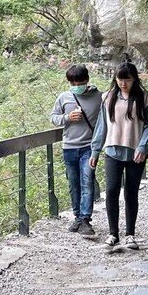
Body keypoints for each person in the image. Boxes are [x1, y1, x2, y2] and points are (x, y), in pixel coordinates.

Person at [89, 62, 148, 253]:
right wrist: (95, 150)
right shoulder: (108, 97)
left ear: (134, 79)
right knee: (111, 191)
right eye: (120, 79)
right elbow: (102, 125)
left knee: (131, 193)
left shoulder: (145, 98)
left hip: (136, 152)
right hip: (112, 150)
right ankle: (113, 233)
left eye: (126, 79)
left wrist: (143, 146)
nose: (123, 83)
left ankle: (130, 234)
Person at [50, 65, 103, 235]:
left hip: (89, 146)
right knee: (74, 184)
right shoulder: (64, 97)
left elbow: (105, 121)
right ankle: (77, 217)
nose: (76, 85)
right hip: (69, 147)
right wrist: (68, 117)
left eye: (79, 82)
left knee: (87, 182)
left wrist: (99, 146)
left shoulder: (98, 97)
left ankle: (85, 219)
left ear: (87, 80)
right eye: (72, 82)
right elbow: (54, 118)